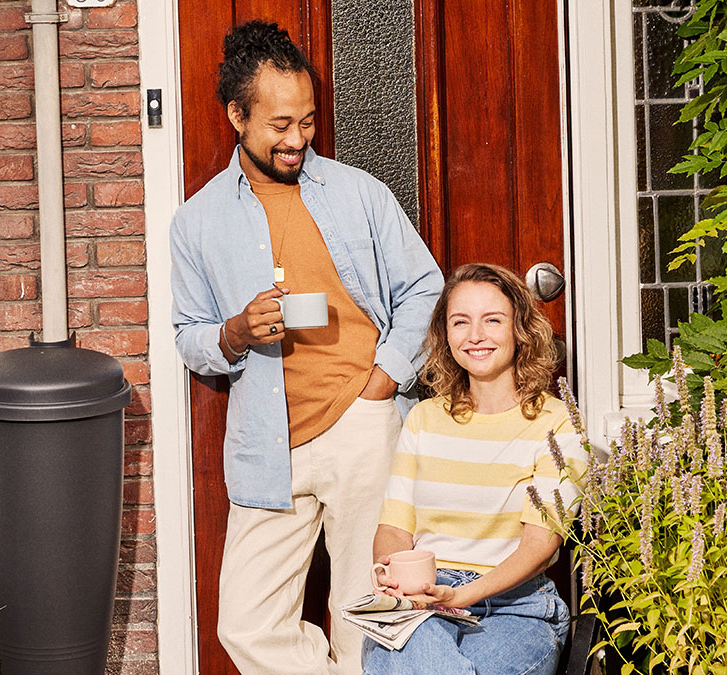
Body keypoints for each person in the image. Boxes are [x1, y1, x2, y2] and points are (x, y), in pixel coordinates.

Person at [169, 20, 444, 675]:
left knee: (374, 615)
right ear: (237, 115)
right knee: (245, 623)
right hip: (269, 443)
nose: (297, 139)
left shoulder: (359, 195)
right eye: (280, 124)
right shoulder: (198, 221)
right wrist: (233, 332)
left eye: (309, 122)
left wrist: (385, 379)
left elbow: (425, 285)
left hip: (362, 424)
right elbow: (188, 335)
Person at [364, 263, 587, 675]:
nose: (475, 336)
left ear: (520, 330)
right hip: (423, 605)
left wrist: (463, 595)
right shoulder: (424, 419)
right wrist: (396, 580)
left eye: (492, 320)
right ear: (445, 335)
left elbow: (540, 549)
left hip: (515, 608)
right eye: (460, 322)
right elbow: (394, 530)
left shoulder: (556, 422)